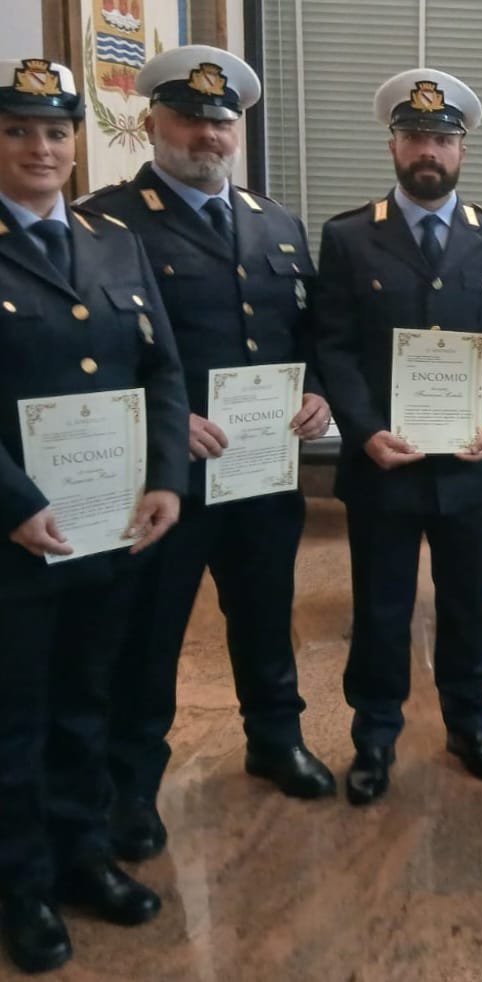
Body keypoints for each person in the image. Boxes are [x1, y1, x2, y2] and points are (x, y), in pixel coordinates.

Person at [80, 45, 335, 865]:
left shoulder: (275, 222)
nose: (207, 135)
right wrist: (166, 422)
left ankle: (275, 739)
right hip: (168, 478)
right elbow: (98, 353)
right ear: (153, 121)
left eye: (221, 121)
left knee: (265, 611)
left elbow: (308, 331)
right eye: (189, 118)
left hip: (262, 468)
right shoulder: (106, 222)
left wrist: (318, 390)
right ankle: (131, 785)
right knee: (150, 635)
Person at [0, 58, 188, 973]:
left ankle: (83, 856)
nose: (40, 148)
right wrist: (14, 502)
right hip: (17, 541)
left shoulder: (113, 243)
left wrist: (166, 478)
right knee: (16, 719)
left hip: (109, 525)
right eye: (18, 131)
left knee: (86, 703)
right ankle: (22, 884)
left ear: (76, 144)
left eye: (55, 132)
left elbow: (162, 370)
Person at [312, 68, 482, 805]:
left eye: (442, 139)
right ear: (393, 145)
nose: (428, 151)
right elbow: (334, 345)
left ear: (462, 151)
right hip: (385, 463)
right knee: (381, 609)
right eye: (415, 136)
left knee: (469, 606)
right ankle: (375, 736)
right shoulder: (350, 236)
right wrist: (364, 430)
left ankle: (470, 724)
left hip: (470, 465)